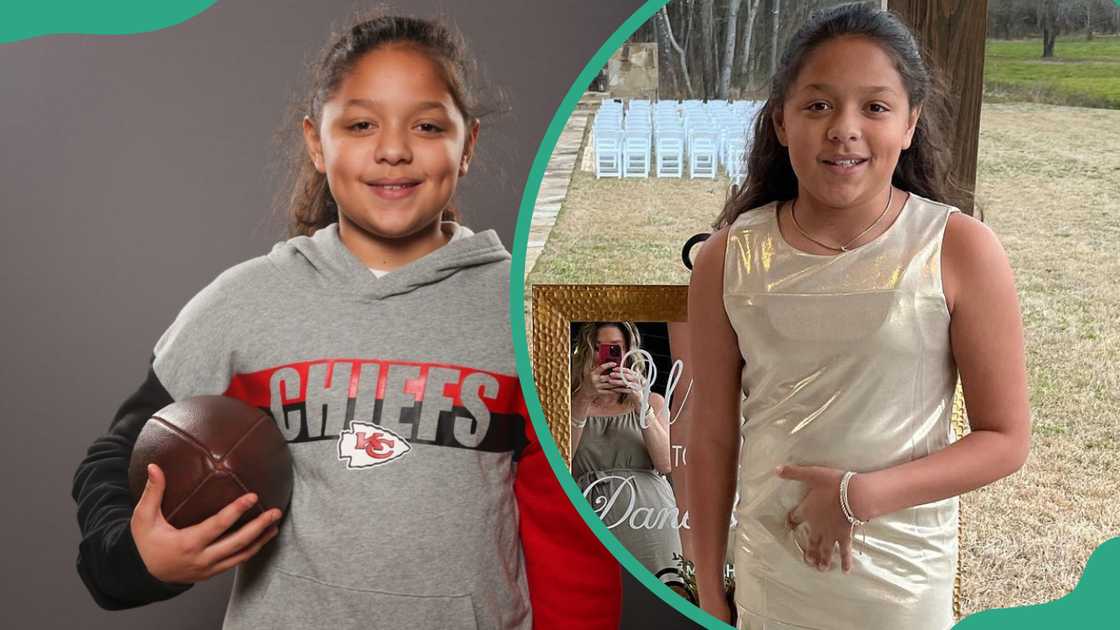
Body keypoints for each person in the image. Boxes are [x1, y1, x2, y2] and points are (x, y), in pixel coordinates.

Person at [71, 12, 621, 629]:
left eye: (428, 125)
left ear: (466, 146)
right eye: (361, 124)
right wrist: (137, 560)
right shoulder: (248, 302)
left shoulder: (529, 315)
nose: (393, 149)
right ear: (316, 141)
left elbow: (570, 536)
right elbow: (119, 454)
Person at [686, 4, 1031, 630]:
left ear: (910, 123)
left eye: (874, 107)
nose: (844, 128)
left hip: (899, 587)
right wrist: (709, 589)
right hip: (772, 576)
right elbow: (710, 435)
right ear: (781, 122)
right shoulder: (730, 256)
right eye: (818, 105)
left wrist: (857, 496)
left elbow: (1004, 439)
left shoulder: (958, 248)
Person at [570, 322, 682, 579]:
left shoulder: (652, 400)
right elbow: (559, 463)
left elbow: (666, 464)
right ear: (587, 352)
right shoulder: (567, 401)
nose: (606, 357)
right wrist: (583, 399)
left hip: (649, 520)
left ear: (630, 352)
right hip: (589, 520)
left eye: (615, 349)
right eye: (598, 349)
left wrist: (640, 404)